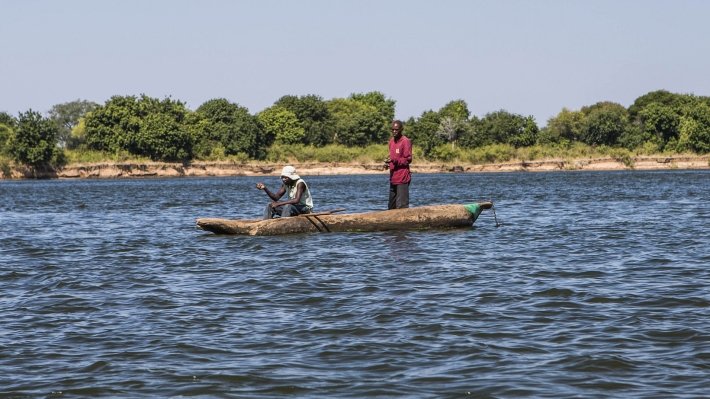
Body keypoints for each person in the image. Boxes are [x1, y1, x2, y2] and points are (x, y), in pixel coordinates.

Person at [384, 119, 412, 209]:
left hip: (402, 178)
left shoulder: (405, 141)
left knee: (402, 207)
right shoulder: (391, 141)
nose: (394, 131)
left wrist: (395, 160)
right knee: (391, 207)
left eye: (396, 129)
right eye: (392, 129)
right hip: (393, 178)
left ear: (401, 130)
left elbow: (408, 159)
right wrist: (388, 164)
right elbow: (392, 157)